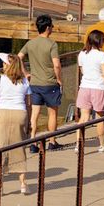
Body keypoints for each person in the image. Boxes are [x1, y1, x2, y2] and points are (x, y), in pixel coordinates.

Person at [0, 53, 32, 194]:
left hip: (3, 113)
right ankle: (23, 183)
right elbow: (28, 103)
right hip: (20, 113)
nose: (3, 65)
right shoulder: (24, 81)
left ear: (7, 66)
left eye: (4, 63)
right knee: (20, 147)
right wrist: (29, 121)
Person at [22, 15, 65, 149]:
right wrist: (59, 79)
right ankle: (52, 141)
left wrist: (25, 73)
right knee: (52, 113)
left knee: (34, 114)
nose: (52, 28)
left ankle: (33, 142)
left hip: (34, 83)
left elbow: (18, 58)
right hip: (50, 83)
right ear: (47, 28)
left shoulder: (30, 43)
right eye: (51, 26)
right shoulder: (52, 44)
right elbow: (56, 65)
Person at [76, 28, 104, 153]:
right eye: (103, 40)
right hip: (98, 88)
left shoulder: (82, 54)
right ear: (99, 41)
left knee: (83, 117)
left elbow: (82, 70)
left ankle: (78, 144)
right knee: (100, 117)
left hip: (84, 87)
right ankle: (102, 145)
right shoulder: (101, 55)